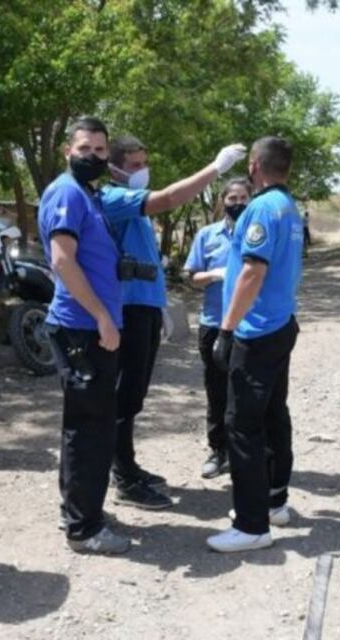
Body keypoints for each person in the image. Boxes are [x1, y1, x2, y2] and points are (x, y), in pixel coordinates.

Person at [101, 135, 246, 509]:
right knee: (123, 397)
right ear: (114, 168)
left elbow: (145, 262)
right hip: (128, 309)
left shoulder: (134, 207)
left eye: (144, 163)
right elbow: (168, 199)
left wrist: (161, 305)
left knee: (134, 396)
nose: (142, 170)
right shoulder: (114, 198)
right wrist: (215, 168)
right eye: (134, 165)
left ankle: (128, 465)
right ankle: (123, 477)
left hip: (145, 307)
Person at [207, 136, 303, 553]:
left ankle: (251, 526)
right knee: (274, 414)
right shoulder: (289, 207)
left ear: (255, 166)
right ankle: (274, 502)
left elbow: (252, 272)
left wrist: (226, 330)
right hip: (280, 323)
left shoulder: (262, 208)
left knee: (242, 425)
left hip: (256, 330)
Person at [39, 116, 129, 555]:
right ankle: (84, 528)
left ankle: (75, 508)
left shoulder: (87, 192)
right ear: (67, 151)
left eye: (99, 150)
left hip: (89, 324)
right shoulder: (67, 193)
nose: (92, 156)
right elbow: (62, 260)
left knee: (84, 424)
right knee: (91, 428)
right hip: (82, 327)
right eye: (84, 149)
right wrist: (101, 317)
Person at [183, 177, 252, 479]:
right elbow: (191, 277)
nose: (237, 203)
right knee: (216, 390)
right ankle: (218, 450)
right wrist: (214, 274)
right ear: (222, 201)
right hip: (213, 323)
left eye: (243, 198)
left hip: (250, 325)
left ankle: (249, 452)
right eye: (232, 198)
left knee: (249, 391)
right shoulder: (207, 235)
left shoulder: (257, 234)